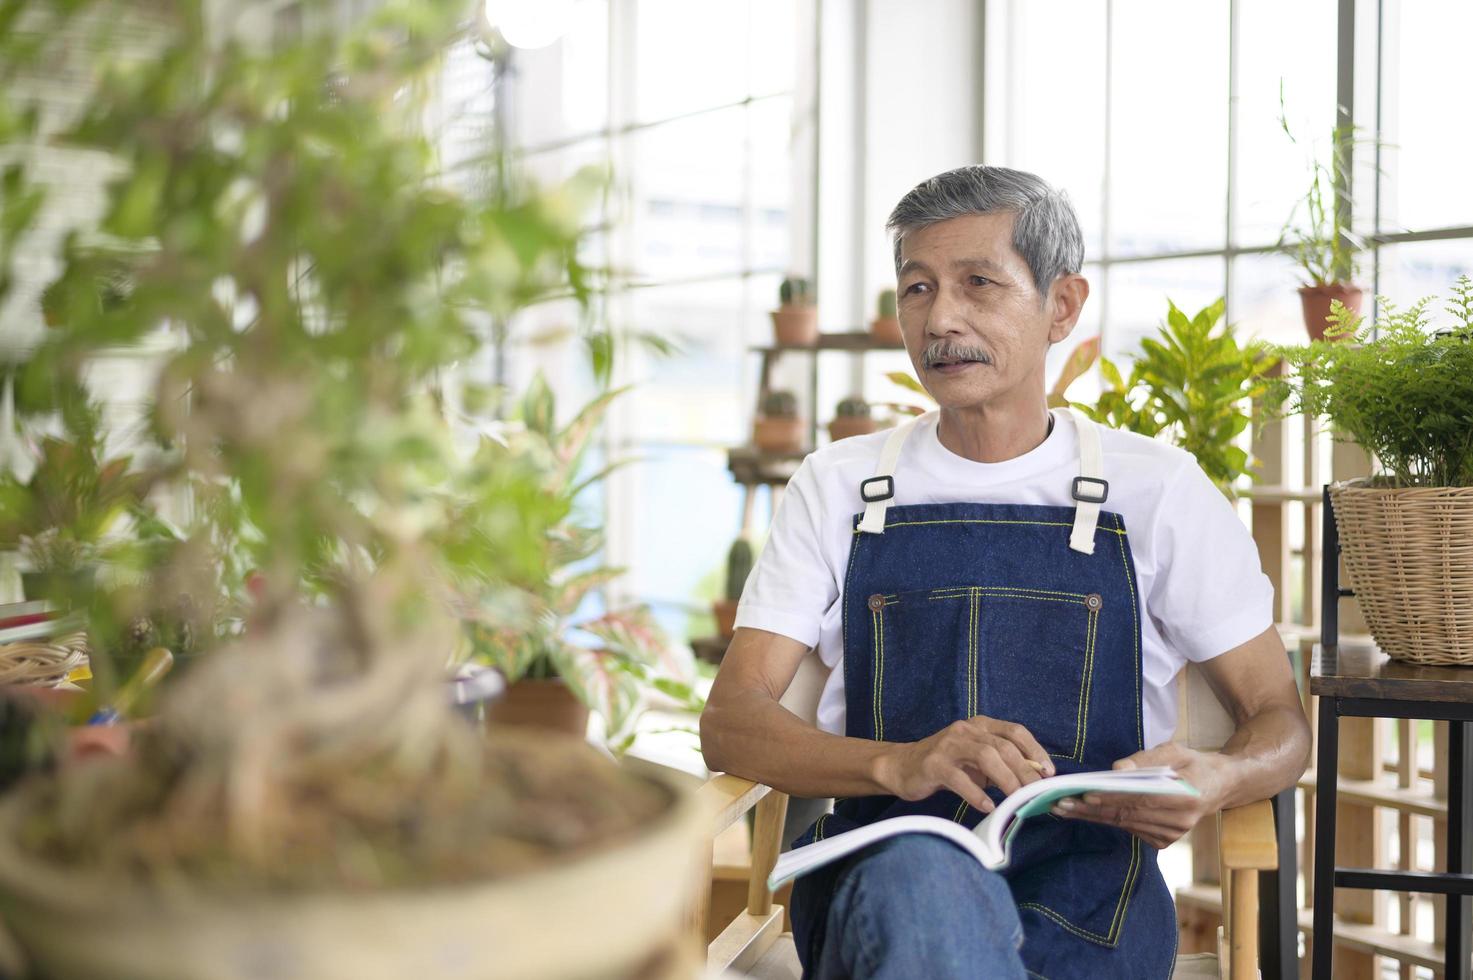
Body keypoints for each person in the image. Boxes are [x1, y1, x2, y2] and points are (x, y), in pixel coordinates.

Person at [699, 165, 1311, 979]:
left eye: (976, 284)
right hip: (889, 885)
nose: (939, 317)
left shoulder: (1156, 491)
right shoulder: (840, 486)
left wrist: (1222, 776)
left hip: (1092, 899)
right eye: (916, 288)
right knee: (925, 888)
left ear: (1061, 305)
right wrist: (895, 763)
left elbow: (1279, 720)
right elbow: (731, 719)